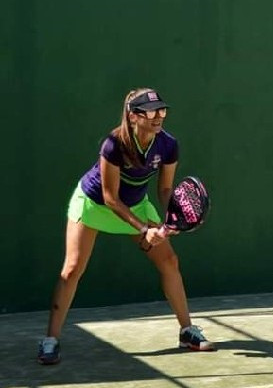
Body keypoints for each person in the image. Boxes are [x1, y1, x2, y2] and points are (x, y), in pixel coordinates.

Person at [38, 88, 214, 365]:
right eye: (152, 111)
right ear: (133, 116)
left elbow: (165, 188)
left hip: (136, 204)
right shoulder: (113, 144)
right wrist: (144, 230)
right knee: (71, 269)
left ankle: (187, 331)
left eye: (162, 110)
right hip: (94, 204)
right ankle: (51, 340)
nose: (159, 116)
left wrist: (173, 217)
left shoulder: (168, 144)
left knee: (169, 261)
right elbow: (110, 197)